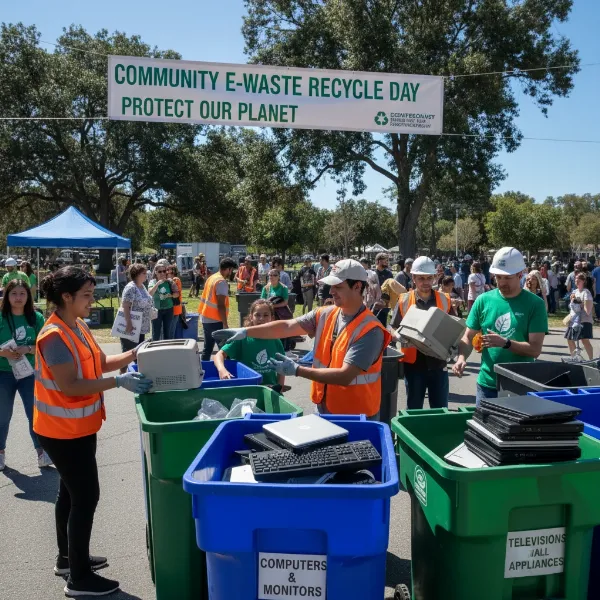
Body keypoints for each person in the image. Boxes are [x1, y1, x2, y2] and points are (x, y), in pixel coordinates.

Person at [33, 267, 152, 597]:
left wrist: (134, 353)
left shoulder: (78, 325)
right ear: (67, 297)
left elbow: (98, 363)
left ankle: (68, 560)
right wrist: (119, 382)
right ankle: (79, 578)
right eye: (87, 294)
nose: (93, 300)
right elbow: (69, 385)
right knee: (86, 496)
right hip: (61, 431)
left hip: (78, 427)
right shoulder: (53, 336)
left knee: (70, 494)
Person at [213, 259, 391, 419]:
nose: (332, 291)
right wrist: (246, 331)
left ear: (357, 286)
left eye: (338, 286)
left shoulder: (370, 330)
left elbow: (345, 375)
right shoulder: (325, 314)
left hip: (357, 417)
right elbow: (287, 326)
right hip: (324, 406)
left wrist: (297, 370)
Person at [453, 247, 548, 405]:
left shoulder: (535, 304)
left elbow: (535, 350)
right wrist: (461, 357)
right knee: (484, 429)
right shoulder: (483, 300)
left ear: (520, 274)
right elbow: (468, 337)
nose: (502, 282)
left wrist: (506, 343)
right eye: (498, 277)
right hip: (487, 385)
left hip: (521, 385)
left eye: (507, 278)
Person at [0, 280, 52, 471]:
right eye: (14, 294)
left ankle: (42, 452)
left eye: (22, 293)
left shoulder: (36, 318)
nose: (18, 298)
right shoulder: (0, 317)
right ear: (7, 296)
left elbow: (46, 344)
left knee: (35, 413)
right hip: (3, 373)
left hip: (29, 373)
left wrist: (28, 348)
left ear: (28, 296)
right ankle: (0, 452)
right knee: (2, 415)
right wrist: (2, 352)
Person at [391, 256, 452, 410]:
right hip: (414, 365)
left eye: (429, 278)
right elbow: (392, 327)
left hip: (438, 364)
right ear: (413, 278)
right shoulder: (404, 300)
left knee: (440, 411)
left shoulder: (444, 300)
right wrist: (397, 335)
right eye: (421, 278)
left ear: (435, 277)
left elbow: (453, 327)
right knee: (414, 408)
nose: (425, 282)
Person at [214, 299, 285, 388]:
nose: (261, 319)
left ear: (272, 318)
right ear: (251, 317)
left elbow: (281, 366)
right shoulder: (242, 338)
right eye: (257, 315)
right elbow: (218, 355)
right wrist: (222, 370)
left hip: (270, 390)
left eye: (266, 315)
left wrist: (280, 386)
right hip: (247, 389)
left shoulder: (275, 340)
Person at [199, 258, 237, 361]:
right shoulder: (221, 282)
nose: (231, 272)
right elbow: (221, 305)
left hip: (206, 317)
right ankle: (227, 370)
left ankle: (202, 371)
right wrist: (225, 323)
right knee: (225, 349)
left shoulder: (212, 277)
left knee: (207, 348)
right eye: (231, 270)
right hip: (215, 320)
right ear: (228, 269)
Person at [119, 263, 153, 374]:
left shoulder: (142, 286)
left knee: (138, 352)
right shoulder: (131, 287)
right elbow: (125, 306)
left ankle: (138, 374)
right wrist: (128, 323)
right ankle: (122, 376)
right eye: (144, 273)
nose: (146, 275)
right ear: (137, 274)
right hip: (132, 325)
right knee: (128, 353)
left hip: (141, 326)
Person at [565, 273, 594, 360]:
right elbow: (571, 307)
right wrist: (572, 301)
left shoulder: (586, 293)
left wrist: (579, 302)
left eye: (579, 280)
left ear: (584, 281)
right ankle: (575, 359)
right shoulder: (574, 292)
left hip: (584, 320)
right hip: (573, 320)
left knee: (584, 340)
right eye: (575, 279)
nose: (576, 281)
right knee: (569, 339)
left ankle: (591, 360)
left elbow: (588, 311)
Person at [148, 260, 177, 341]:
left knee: (167, 332)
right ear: (156, 273)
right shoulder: (153, 282)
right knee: (156, 333)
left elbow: (177, 294)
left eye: (164, 271)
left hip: (168, 309)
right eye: (160, 271)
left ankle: (166, 351)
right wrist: (158, 284)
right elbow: (150, 293)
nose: (162, 273)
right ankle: (155, 351)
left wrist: (171, 295)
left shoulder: (169, 282)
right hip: (157, 310)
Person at [374, 253, 393, 327]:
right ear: (378, 261)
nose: (387, 262)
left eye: (387, 260)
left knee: (383, 325)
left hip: (385, 304)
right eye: (385, 260)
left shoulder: (389, 274)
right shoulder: (373, 274)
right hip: (374, 304)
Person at [167, 265, 183, 339]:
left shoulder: (175, 279)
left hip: (175, 308)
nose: (166, 272)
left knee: (171, 330)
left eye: (168, 270)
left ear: (173, 271)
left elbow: (176, 293)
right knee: (169, 330)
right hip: (173, 307)